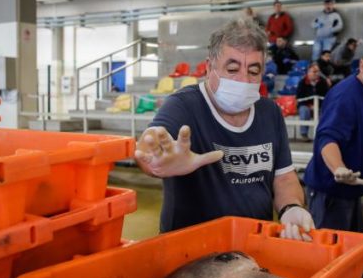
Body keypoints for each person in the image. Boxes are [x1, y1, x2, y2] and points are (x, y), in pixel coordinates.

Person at [134, 18, 314, 240]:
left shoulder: (270, 113)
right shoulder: (183, 106)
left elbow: (284, 177)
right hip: (189, 249)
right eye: (232, 69)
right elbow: (148, 145)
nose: (243, 79)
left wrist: (291, 207)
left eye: (253, 71)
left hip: (254, 245)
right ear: (210, 67)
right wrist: (156, 161)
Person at [303, 45, 363, 231]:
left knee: (354, 250)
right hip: (329, 191)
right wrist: (338, 167)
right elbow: (327, 139)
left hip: (352, 190)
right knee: (329, 254)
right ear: (362, 65)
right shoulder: (345, 96)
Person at [296, 63, 330, 141]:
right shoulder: (302, 83)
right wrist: (309, 105)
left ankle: (322, 134)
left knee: (325, 111)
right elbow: (299, 98)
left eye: (317, 71)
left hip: (320, 105)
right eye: (314, 71)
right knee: (304, 110)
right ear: (308, 72)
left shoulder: (323, 82)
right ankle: (304, 134)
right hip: (306, 105)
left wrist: (317, 105)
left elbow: (327, 97)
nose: (316, 73)